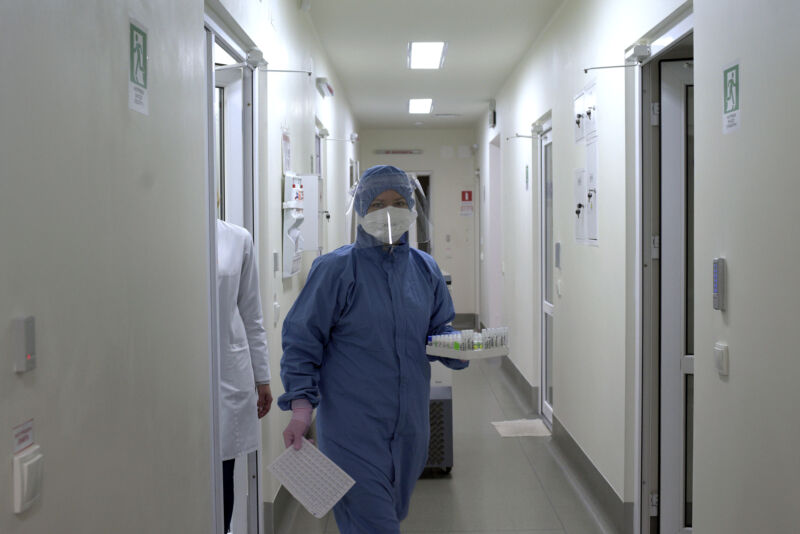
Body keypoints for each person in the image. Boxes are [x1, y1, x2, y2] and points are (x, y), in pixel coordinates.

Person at [278, 165, 468, 534]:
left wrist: (456, 349)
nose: (389, 212)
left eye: (398, 203)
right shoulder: (336, 270)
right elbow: (302, 340)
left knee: (389, 514)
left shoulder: (424, 269)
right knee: (377, 525)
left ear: (412, 208)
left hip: (411, 425)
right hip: (353, 428)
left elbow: (437, 328)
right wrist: (301, 408)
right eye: (378, 204)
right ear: (361, 210)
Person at [216, 219, 273, 534]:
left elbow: (252, 313)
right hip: (182, 377)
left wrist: (262, 377)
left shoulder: (238, 239)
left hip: (227, 374)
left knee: (224, 474)